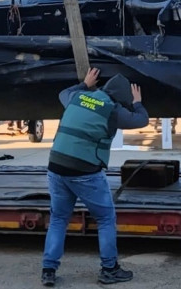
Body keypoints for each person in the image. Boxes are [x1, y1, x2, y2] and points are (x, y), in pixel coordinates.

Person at [41, 68, 149, 286]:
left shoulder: (77, 97)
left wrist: (85, 83)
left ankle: (48, 270)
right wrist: (137, 102)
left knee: (59, 219)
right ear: (121, 99)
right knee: (105, 218)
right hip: (84, 171)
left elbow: (62, 93)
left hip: (56, 166)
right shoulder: (113, 110)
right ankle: (109, 269)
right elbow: (142, 120)